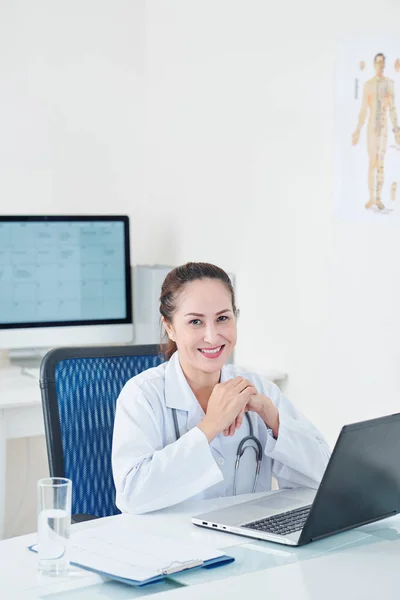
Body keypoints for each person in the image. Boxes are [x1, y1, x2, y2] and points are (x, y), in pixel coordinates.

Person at [112, 262, 330, 515]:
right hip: (172, 547)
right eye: (195, 322)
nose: (213, 336)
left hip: (250, 541)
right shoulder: (142, 395)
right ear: (170, 327)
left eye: (223, 318)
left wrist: (273, 418)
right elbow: (131, 495)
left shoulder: (259, 388)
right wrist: (210, 426)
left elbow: (323, 477)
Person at [352, 53, 400, 210]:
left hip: (384, 127)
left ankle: (378, 198)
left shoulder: (389, 84)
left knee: (381, 163)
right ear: (374, 64)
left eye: (382, 62)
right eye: (378, 62)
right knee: (372, 162)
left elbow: (393, 109)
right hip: (371, 128)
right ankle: (371, 197)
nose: (380, 65)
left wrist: (396, 130)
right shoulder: (368, 85)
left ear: (384, 64)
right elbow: (363, 110)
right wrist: (358, 130)